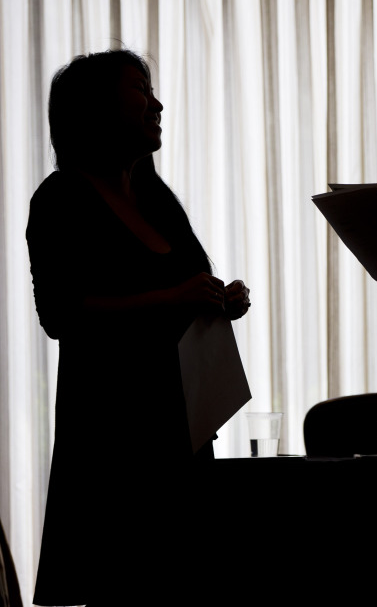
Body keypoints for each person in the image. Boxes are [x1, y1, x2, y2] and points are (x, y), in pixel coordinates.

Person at [27, 50, 251, 605]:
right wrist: (171, 297)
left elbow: (184, 292)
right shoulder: (60, 199)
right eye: (139, 89)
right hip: (113, 441)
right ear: (96, 107)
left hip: (181, 432)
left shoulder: (155, 199)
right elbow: (62, 315)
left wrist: (216, 301)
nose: (157, 103)